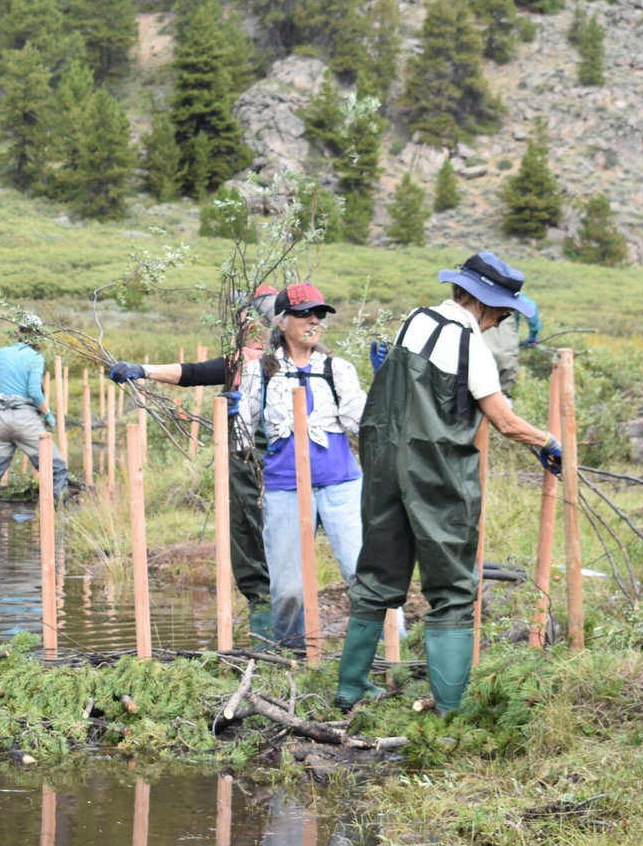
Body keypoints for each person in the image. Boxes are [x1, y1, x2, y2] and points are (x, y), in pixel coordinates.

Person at [337, 252, 561, 713]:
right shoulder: (470, 345)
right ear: (479, 301)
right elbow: (503, 420)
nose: (500, 321)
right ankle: (450, 708)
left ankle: (351, 688)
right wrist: (548, 441)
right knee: (454, 588)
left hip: (382, 465)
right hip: (435, 472)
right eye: (500, 311)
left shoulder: (413, 322)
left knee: (378, 572)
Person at [107, 286, 281, 643]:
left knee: (274, 541)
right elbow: (195, 372)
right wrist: (142, 370)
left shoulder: (288, 363)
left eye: (251, 319)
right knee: (246, 544)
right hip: (241, 460)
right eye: (243, 320)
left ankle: (286, 627)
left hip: (278, 463)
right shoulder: (240, 360)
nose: (247, 325)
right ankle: (265, 630)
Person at [239, 284, 367, 649]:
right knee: (289, 587)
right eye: (304, 313)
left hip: (341, 483)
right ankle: (290, 657)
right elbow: (242, 432)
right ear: (281, 321)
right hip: (285, 487)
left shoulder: (336, 368)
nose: (314, 320)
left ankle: (390, 651)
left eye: (319, 314)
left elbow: (361, 421)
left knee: (362, 573)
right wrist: (230, 416)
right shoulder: (258, 372)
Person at [0, 323, 68, 501]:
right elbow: (35, 392)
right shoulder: (35, 357)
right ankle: (61, 515)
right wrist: (47, 413)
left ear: (19, 332)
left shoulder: (4, 352)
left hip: (1, 418)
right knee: (56, 468)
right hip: (24, 419)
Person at [479, 292, 540, 393]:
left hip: (482, 344)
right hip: (506, 352)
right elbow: (532, 310)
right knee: (502, 390)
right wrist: (532, 336)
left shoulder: (480, 293)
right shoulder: (514, 296)